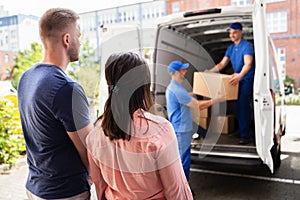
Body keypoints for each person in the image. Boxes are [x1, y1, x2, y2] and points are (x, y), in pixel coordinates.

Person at [86, 52, 193, 200]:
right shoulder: (160, 130)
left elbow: (100, 187)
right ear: (144, 85)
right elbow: (176, 191)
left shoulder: (95, 134)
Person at [18, 8, 92, 200]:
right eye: (79, 36)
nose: (81, 42)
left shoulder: (27, 77)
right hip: (65, 192)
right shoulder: (67, 89)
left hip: (35, 188)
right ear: (67, 39)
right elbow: (88, 151)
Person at [166, 60, 225, 181]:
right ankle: (183, 191)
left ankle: (181, 189)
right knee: (184, 161)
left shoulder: (174, 87)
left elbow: (186, 95)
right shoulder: (177, 89)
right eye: (183, 70)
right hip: (181, 130)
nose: (185, 71)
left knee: (182, 158)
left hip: (180, 128)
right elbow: (198, 105)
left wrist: (200, 90)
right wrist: (217, 99)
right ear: (176, 73)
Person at [206, 22, 255, 145]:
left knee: (243, 106)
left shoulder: (247, 46)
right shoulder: (231, 48)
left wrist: (240, 75)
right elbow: (222, 64)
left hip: (245, 79)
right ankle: (241, 130)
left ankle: (245, 135)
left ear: (240, 32)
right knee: (237, 106)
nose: (231, 35)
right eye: (230, 33)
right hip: (235, 80)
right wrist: (209, 71)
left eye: (234, 32)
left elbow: (248, 63)